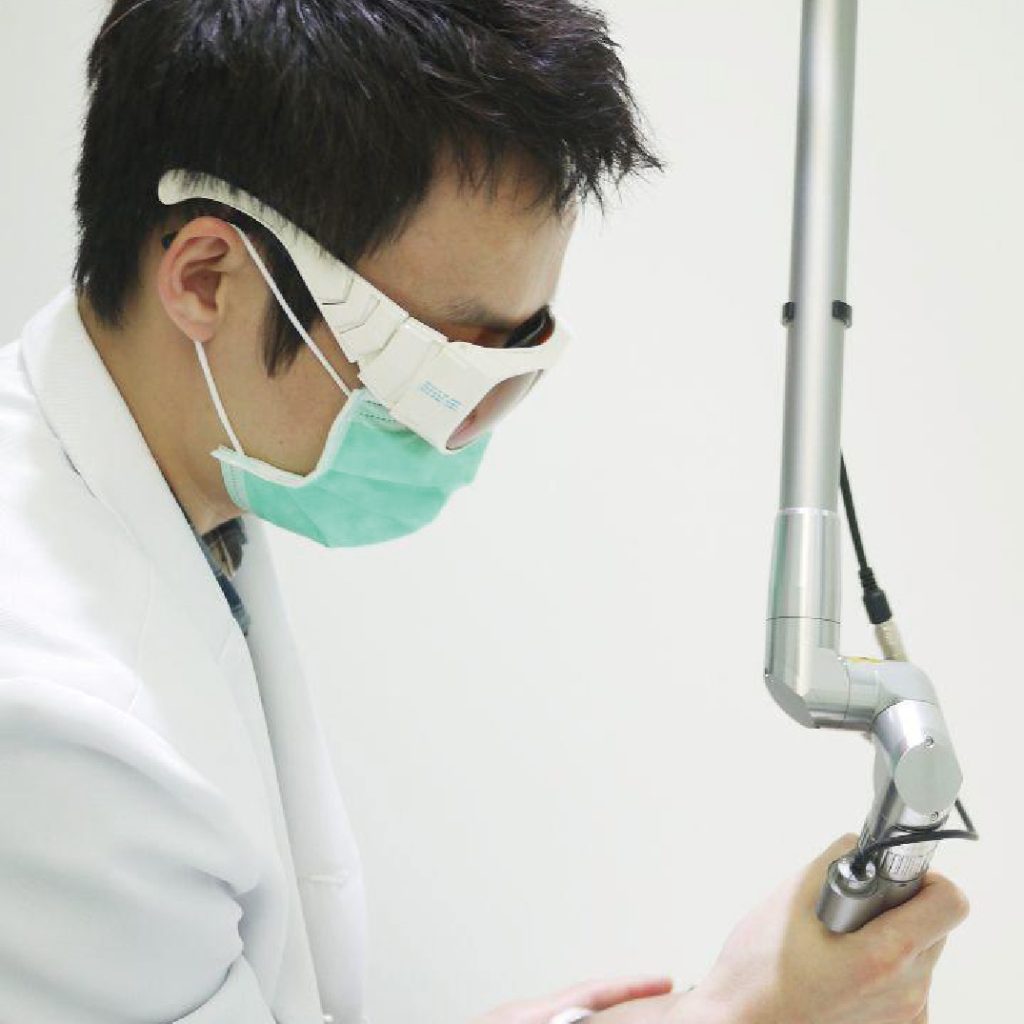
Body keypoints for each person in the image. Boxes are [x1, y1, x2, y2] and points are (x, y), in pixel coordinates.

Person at [0, 1, 969, 1023]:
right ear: (207, 277)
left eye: (521, 358)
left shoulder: (165, 481)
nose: (467, 432)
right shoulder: (53, 732)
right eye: (443, 369)